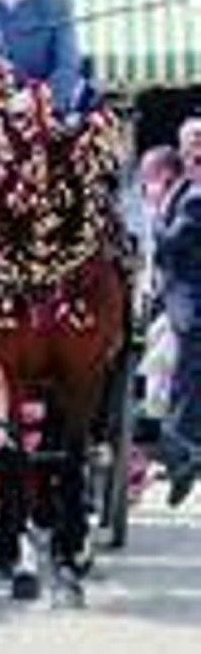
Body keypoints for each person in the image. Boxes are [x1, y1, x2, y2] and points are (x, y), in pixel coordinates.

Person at [144, 134, 201, 507]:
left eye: (147, 180)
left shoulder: (193, 199)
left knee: (183, 386)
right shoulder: (180, 197)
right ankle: (181, 455)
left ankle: (184, 455)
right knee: (171, 385)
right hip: (173, 306)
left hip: (191, 309)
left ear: (163, 176)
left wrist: (151, 218)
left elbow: (172, 242)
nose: (145, 189)